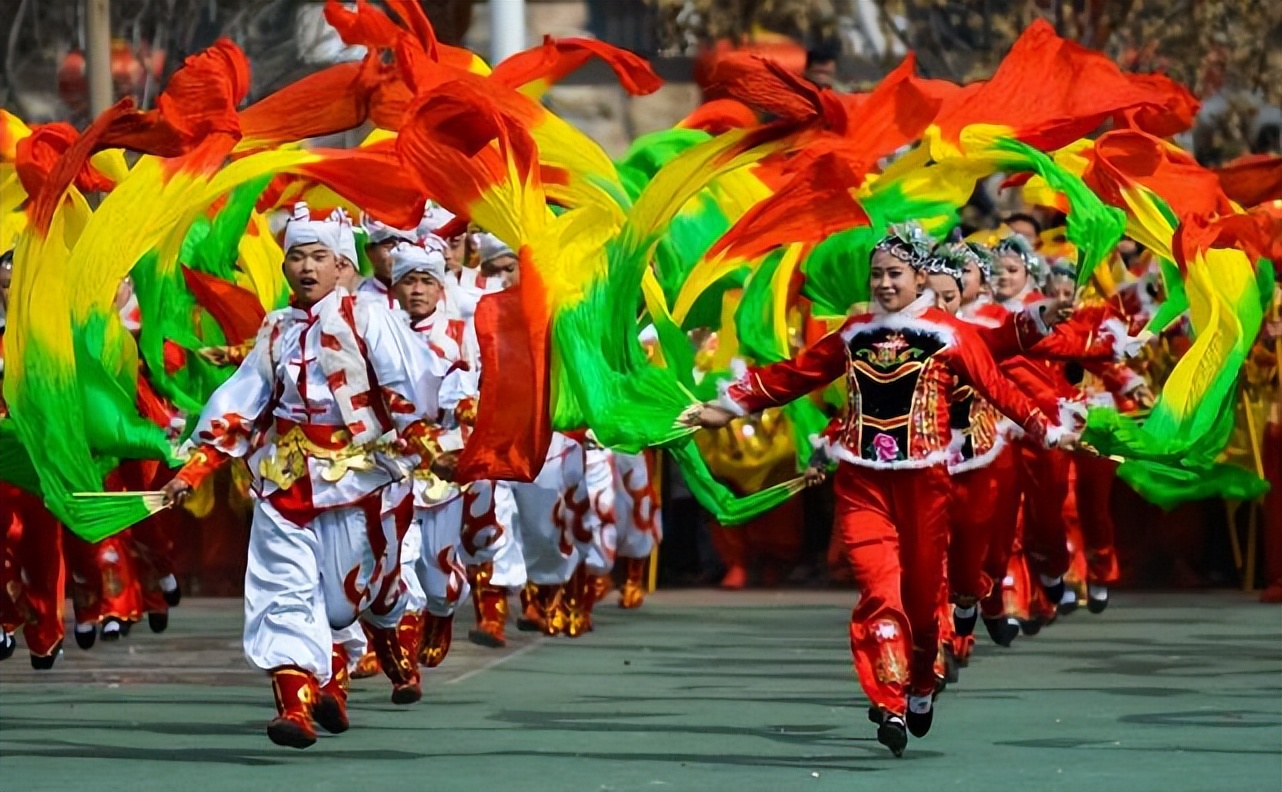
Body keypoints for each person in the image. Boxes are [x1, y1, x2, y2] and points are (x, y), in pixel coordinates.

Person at [685, 223, 1075, 756]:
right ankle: (888, 699)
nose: (885, 284)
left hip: (926, 485)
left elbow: (998, 388)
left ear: (918, 276)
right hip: (862, 482)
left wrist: (1046, 429)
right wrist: (725, 406)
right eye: (877, 275)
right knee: (879, 591)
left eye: (895, 274)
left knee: (919, 601)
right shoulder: (855, 332)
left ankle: (918, 685)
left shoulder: (951, 334)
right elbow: (795, 374)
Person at [160, 206, 446, 749]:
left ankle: (371, 646)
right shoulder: (276, 329)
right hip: (285, 482)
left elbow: (408, 390)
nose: (308, 268)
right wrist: (195, 469)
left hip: (360, 480)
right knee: (281, 590)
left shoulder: (371, 318)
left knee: (346, 602)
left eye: (320, 256)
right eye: (297, 256)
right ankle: (296, 707)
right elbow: (242, 405)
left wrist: (426, 445)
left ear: (342, 265)